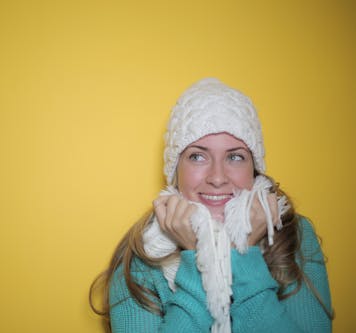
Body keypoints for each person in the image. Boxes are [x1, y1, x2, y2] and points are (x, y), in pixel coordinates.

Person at [89, 78, 333, 333]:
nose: (217, 178)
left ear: (255, 170)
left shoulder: (294, 234)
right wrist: (197, 258)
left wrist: (243, 254)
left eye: (235, 157)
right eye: (197, 156)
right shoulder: (141, 254)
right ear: (175, 170)